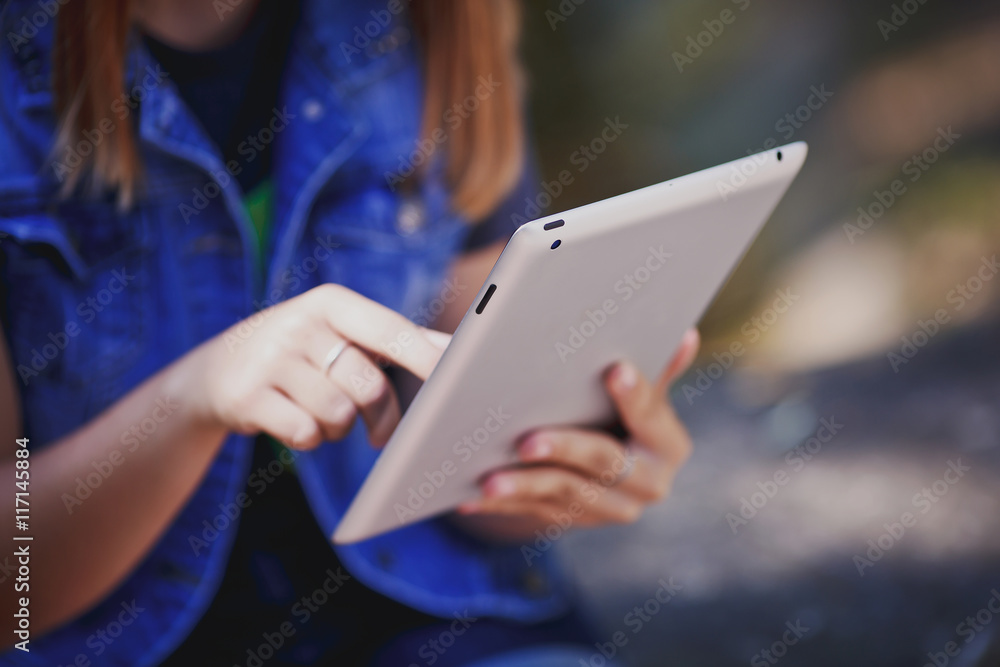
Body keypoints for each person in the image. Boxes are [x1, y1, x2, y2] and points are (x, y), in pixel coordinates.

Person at [0, 0, 699, 664]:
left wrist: (561, 470)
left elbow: (468, 475)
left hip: (443, 615)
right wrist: (194, 399)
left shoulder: (433, 23)